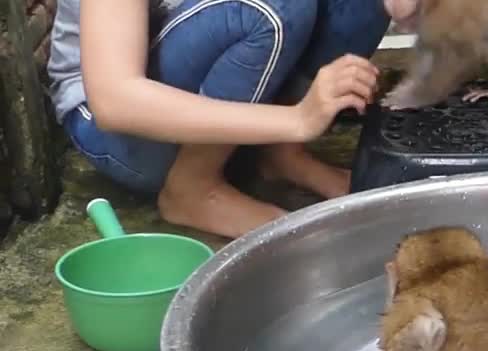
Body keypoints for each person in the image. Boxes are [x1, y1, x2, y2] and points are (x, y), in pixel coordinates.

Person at [46, 0, 389, 239]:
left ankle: (282, 154)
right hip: (121, 130)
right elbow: (114, 102)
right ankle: (194, 187)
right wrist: (298, 118)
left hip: (223, 86)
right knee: (269, 7)